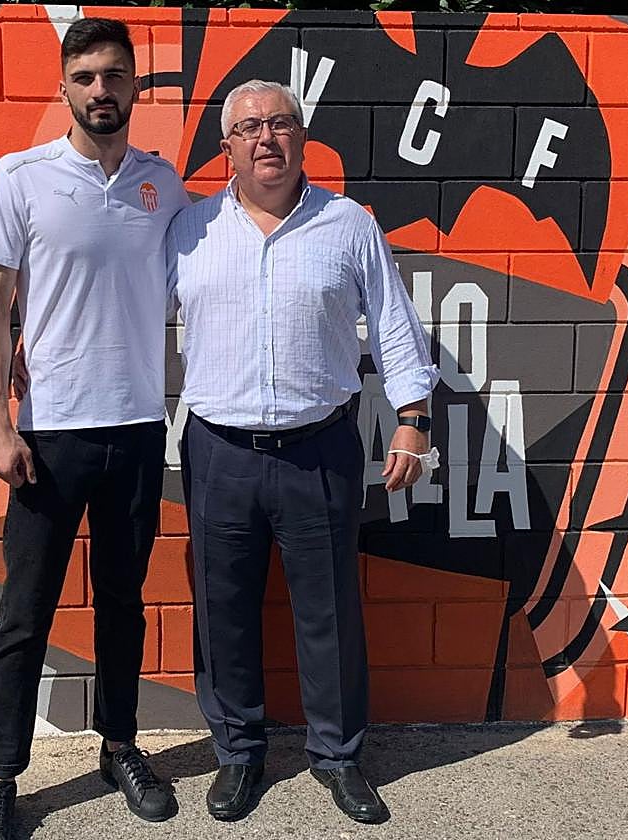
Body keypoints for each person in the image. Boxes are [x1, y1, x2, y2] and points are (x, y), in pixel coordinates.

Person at [167, 79, 438, 824]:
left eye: (281, 123)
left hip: (321, 448)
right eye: (250, 127)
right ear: (227, 148)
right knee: (224, 611)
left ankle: (338, 757)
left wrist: (413, 418)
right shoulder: (188, 231)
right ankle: (238, 755)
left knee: (330, 614)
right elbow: (125, 311)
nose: (266, 138)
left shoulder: (348, 225)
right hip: (218, 449)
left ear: (302, 137)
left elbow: (394, 327)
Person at [0, 17, 190, 839]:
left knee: (123, 606)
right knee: (24, 614)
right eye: (87, 76)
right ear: (63, 87)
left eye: (116, 76)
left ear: (137, 87)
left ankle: (120, 745)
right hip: (48, 436)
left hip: (135, 429)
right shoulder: (18, 178)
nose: (102, 90)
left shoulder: (162, 186)